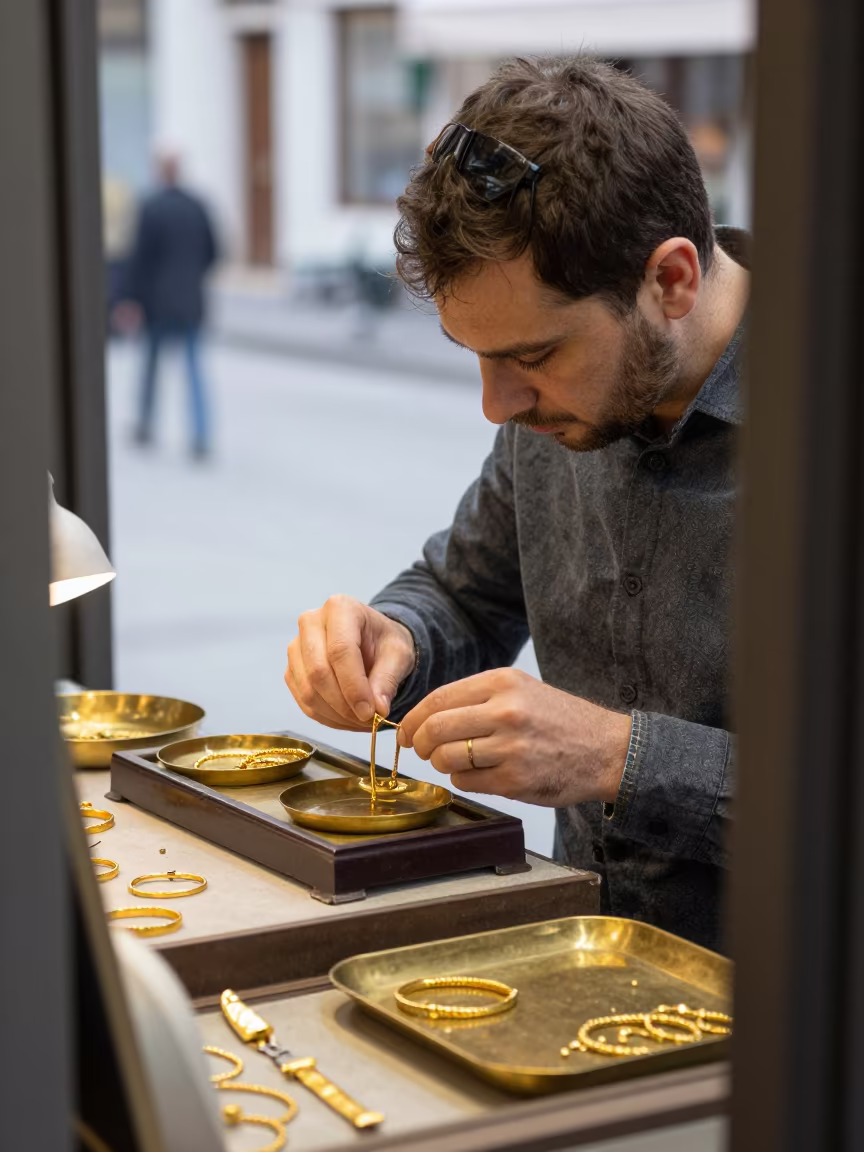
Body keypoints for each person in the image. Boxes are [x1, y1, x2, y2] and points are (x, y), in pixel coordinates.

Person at [284, 57, 748, 953]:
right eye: (476, 355)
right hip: (584, 966)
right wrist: (396, 638)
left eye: (532, 356)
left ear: (673, 281)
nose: (498, 406)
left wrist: (620, 759)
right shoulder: (568, 405)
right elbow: (465, 592)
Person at [117, 151, 219, 458]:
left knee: (151, 366)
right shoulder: (197, 206)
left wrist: (129, 299)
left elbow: (137, 258)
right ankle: (200, 435)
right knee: (193, 368)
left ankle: (146, 424)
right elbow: (215, 251)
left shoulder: (151, 207)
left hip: (157, 301)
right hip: (190, 300)